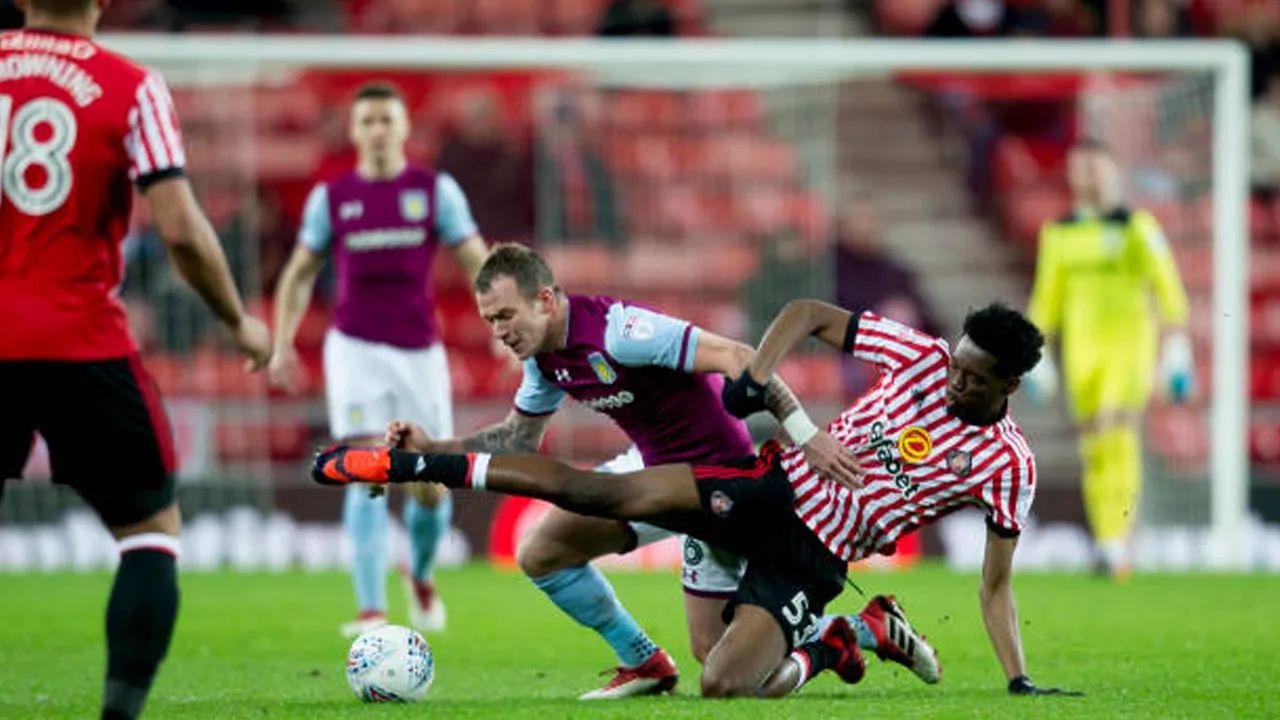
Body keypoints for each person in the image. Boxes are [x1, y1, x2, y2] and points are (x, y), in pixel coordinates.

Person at [314, 298, 1085, 699]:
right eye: (957, 365)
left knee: (726, 683)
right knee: (599, 490)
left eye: (974, 379)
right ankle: (414, 466)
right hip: (764, 489)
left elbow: (995, 583)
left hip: (813, 561)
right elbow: (810, 314)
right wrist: (765, 374)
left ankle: (851, 635)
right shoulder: (919, 357)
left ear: (1009, 386)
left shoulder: (1007, 464)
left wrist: (1017, 679)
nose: (955, 380)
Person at [0, 2, 273, 719]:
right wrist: (237, 320)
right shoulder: (131, 87)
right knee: (150, 532)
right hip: (75, 337)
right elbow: (179, 228)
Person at [268, 81, 489, 637]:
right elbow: (298, 272)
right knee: (365, 469)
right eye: (367, 121)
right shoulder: (333, 197)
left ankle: (419, 572)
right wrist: (281, 343)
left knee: (428, 482)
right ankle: (370, 608)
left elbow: (474, 258)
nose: (378, 130)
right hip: (356, 347)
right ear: (354, 130)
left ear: (404, 128)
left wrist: (500, 328)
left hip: (419, 350)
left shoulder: (433, 191)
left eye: (387, 120)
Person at [1023, 139, 1193, 580]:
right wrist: (1038, 354)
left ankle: (1118, 538)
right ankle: (1108, 539)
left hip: (1129, 345)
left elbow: (1167, 285)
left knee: (1117, 427)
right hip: (1084, 353)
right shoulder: (1059, 233)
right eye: (1081, 169)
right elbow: (1047, 298)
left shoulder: (1139, 226)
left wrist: (1176, 348)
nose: (1089, 177)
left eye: (1097, 168)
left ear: (1113, 173)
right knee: (1094, 444)